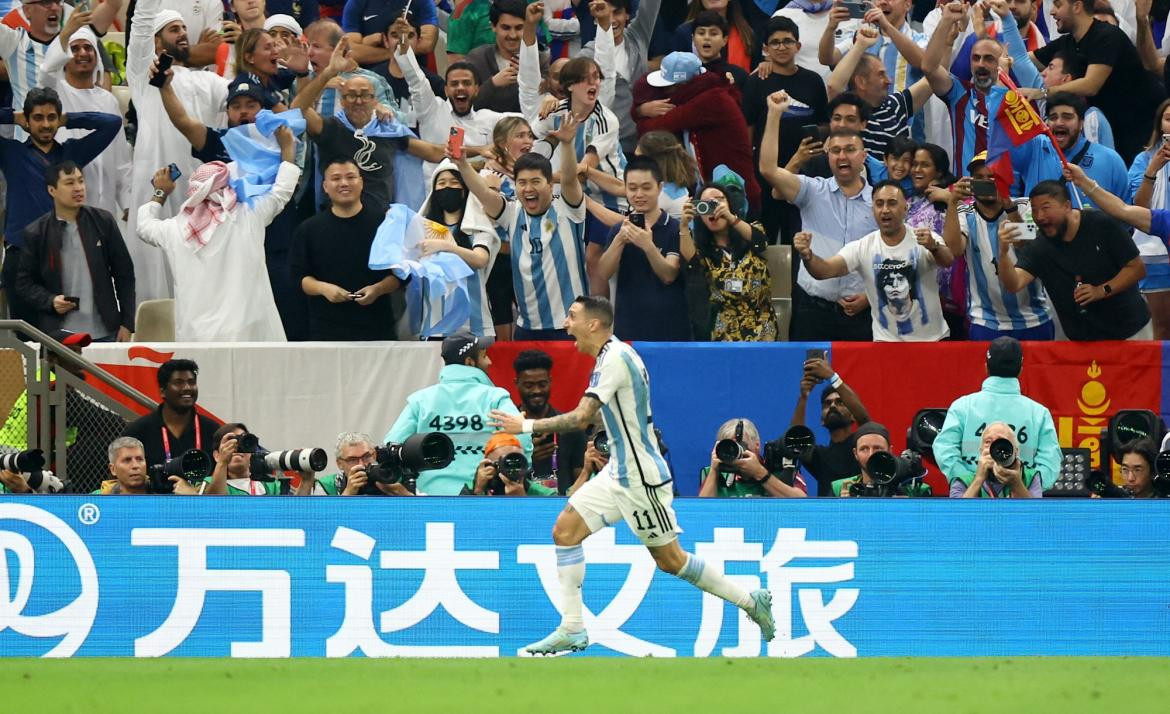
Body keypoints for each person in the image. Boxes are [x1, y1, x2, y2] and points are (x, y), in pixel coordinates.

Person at [488, 296, 775, 656]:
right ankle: (572, 628)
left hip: (641, 479)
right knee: (564, 531)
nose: (566, 324)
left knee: (672, 561)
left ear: (594, 324)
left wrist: (526, 424)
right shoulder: (610, 357)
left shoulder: (616, 359)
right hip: (617, 473)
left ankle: (750, 601)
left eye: (572, 317)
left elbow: (580, 418)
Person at [137, 127, 300, 342]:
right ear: (228, 187)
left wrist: (161, 192)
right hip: (249, 334)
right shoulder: (249, 215)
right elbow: (282, 191)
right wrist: (287, 148)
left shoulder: (174, 230)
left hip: (198, 337)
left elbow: (144, 225)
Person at [127, 0, 230, 303]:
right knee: (153, 272)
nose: (183, 33)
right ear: (156, 40)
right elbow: (141, 21)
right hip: (155, 188)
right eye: (174, 29)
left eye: (185, 27)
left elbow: (244, 96)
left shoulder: (208, 81)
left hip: (199, 191)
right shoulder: (145, 74)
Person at [455, 114, 588, 340]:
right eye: (522, 183)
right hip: (527, 328)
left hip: (569, 325)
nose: (528, 189)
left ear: (549, 184)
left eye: (535, 182)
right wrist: (462, 164)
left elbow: (568, 179)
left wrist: (566, 144)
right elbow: (484, 194)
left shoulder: (568, 210)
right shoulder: (512, 212)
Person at [759, 90, 877, 341]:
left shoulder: (881, 202)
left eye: (849, 150)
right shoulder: (812, 190)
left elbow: (892, 258)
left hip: (862, 314)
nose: (842, 156)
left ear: (863, 156)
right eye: (835, 151)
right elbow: (768, 170)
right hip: (812, 311)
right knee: (806, 379)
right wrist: (774, 114)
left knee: (859, 381)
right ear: (828, 156)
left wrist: (871, 296)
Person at [0, 87, 121, 323]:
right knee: (23, 335)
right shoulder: (11, 152)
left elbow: (113, 123)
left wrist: (69, 120)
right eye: (37, 118)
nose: (45, 124)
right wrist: (11, 116)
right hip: (20, 255)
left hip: (63, 255)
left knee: (63, 335)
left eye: (51, 117)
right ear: (27, 120)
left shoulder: (72, 153)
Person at [293, 37, 444, 212]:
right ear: (341, 101)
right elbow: (298, 110)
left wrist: (477, 151)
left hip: (380, 224)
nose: (358, 101)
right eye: (351, 95)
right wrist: (329, 72)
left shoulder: (387, 131)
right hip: (335, 220)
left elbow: (433, 152)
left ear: (375, 101)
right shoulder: (331, 128)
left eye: (364, 95)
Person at [795, 180, 954, 341]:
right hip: (885, 344)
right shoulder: (863, 246)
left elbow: (947, 260)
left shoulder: (924, 238)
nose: (885, 210)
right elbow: (824, 271)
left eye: (892, 203)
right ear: (873, 210)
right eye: (879, 204)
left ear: (905, 209)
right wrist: (808, 256)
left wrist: (934, 247)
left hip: (932, 341)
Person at [995, 180, 1151, 340]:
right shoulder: (1041, 244)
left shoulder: (1100, 224)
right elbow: (1013, 284)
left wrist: (1102, 290)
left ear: (1067, 206)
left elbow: (1137, 268)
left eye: (1045, 208)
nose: (1039, 216)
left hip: (1131, 334)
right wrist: (1003, 253)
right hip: (1082, 343)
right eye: (1034, 210)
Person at [383, 332, 530, 495]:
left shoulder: (421, 400)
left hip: (430, 498)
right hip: (483, 497)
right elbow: (521, 441)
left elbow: (391, 446)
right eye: (484, 356)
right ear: (469, 362)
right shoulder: (494, 398)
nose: (490, 362)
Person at [1028, 0, 1162, 163]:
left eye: (1058, 5)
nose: (1051, 12)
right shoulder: (1068, 42)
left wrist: (1041, 93)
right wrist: (1002, 58)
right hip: (1115, 131)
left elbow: (1091, 85)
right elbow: (1026, 60)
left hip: (1146, 131)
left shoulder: (1107, 36)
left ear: (1077, 6)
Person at [939, 153, 1054, 340]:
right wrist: (952, 202)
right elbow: (954, 251)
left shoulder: (1025, 206)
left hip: (1034, 318)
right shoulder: (963, 212)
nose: (987, 182)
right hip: (986, 321)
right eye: (980, 178)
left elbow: (1025, 246)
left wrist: (1009, 206)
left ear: (1005, 179)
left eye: (993, 177)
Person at [15, 162, 135, 341]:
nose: (78, 188)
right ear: (52, 190)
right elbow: (24, 284)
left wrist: (127, 323)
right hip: (59, 334)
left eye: (81, 181)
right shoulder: (36, 232)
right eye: (70, 183)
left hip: (106, 330)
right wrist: (50, 301)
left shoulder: (103, 221)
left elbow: (124, 274)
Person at [934, 336, 1063, 496]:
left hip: (971, 498)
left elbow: (944, 450)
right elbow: (1050, 463)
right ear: (1021, 368)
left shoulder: (963, 407)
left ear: (986, 367)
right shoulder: (1038, 413)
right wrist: (1029, 485)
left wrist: (967, 480)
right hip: (1021, 502)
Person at [290, 159, 403, 340]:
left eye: (350, 177)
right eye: (336, 178)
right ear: (325, 186)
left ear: (361, 182)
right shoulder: (308, 229)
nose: (344, 183)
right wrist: (323, 288)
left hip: (377, 327)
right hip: (325, 330)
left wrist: (378, 289)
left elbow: (402, 275)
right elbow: (298, 278)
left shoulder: (384, 224)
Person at [633, 52, 760, 212]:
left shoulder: (712, 101)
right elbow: (642, 89)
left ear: (684, 85)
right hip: (712, 198)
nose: (665, 93)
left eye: (669, 87)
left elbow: (653, 127)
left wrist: (640, 111)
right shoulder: (703, 91)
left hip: (737, 199)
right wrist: (640, 109)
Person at [36, 14, 133, 221]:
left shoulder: (108, 101)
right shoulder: (55, 93)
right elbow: (46, 72)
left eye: (88, 48)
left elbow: (121, 161)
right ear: (63, 59)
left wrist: (126, 204)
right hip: (63, 206)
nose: (82, 53)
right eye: (75, 48)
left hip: (103, 207)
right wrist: (66, 33)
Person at [741, 16, 829, 239]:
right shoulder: (756, 81)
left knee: (801, 237)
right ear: (765, 48)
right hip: (765, 175)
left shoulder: (813, 80)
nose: (782, 47)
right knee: (765, 238)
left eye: (788, 41)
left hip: (805, 174)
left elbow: (825, 124)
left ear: (798, 46)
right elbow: (747, 131)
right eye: (775, 42)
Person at [592, 156, 691, 341]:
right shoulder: (619, 230)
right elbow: (604, 273)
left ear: (659, 188)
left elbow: (669, 275)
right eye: (632, 188)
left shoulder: (674, 228)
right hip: (629, 328)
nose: (639, 194)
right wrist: (619, 240)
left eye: (646, 188)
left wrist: (648, 246)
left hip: (670, 328)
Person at [399, 22, 510, 179]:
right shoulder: (432, 109)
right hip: (436, 194)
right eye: (454, 83)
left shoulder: (490, 119)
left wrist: (549, 100)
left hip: (476, 195)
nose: (460, 88)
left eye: (466, 83)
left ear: (477, 89)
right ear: (445, 90)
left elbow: (528, 120)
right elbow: (416, 80)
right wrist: (403, 49)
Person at [679, 183, 778, 341]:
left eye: (718, 200)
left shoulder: (751, 230)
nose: (713, 207)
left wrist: (730, 217)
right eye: (706, 204)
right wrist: (683, 226)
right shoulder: (699, 250)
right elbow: (691, 264)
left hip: (762, 329)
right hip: (724, 333)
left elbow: (761, 242)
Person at [413, 159, 500, 338]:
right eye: (442, 183)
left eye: (454, 183)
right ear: (434, 191)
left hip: (475, 325)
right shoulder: (422, 230)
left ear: (465, 190)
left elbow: (480, 259)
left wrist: (446, 246)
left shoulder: (477, 226)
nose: (447, 187)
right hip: (436, 326)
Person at [1010, 92, 1128, 205]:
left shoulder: (1110, 159)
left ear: (1081, 123)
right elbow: (1002, 130)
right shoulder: (1035, 150)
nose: (1059, 122)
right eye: (1053, 117)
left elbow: (1125, 215)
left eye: (1067, 117)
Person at [582, 0, 662, 154]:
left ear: (627, 15)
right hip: (609, 146)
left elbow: (651, 5)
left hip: (643, 143)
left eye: (617, 12)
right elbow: (565, 81)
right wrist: (549, 98)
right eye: (605, 13)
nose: (611, 19)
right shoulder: (587, 56)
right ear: (595, 17)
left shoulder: (637, 36)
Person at [788, 354, 872, 497]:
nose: (832, 406)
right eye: (827, 404)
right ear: (822, 419)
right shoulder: (820, 457)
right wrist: (804, 397)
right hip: (828, 517)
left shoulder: (863, 449)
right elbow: (796, 441)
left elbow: (865, 420)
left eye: (839, 402)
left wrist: (832, 377)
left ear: (853, 415)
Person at [122, 358, 222, 470]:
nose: (187, 388)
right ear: (162, 392)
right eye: (179, 383)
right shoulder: (138, 431)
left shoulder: (212, 430)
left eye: (191, 382)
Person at [1124, 100, 1170, 339]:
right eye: (1169, 118)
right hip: (1154, 254)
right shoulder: (1144, 159)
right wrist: (1153, 169)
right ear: (1160, 124)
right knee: (1161, 328)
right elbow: (1139, 207)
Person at [513, 349, 586, 494]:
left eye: (542, 384)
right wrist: (528, 458)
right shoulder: (509, 427)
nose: (536, 391)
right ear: (516, 383)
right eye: (528, 385)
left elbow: (580, 477)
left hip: (562, 506)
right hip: (520, 503)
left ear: (550, 382)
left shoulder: (570, 427)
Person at [465, 0, 547, 114]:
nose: (512, 35)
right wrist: (492, 84)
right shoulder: (477, 59)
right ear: (493, 26)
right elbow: (466, 104)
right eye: (506, 28)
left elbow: (543, 105)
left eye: (519, 28)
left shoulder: (540, 60)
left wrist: (529, 75)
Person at [698, 418, 808, 497]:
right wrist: (714, 471)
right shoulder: (714, 474)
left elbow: (803, 505)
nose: (736, 453)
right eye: (730, 447)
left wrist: (760, 473)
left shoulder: (781, 470)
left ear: (757, 445)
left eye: (742, 446)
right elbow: (700, 514)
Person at [833, 422, 932, 497]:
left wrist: (908, 509)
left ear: (890, 450)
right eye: (864, 449)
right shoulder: (840, 488)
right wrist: (841, 508)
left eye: (877, 448)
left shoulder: (916, 490)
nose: (871, 454)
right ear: (855, 453)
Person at [302, 432, 414, 495]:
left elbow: (427, 515)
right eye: (352, 460)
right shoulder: (327, 485)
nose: (361, 464)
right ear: (339, 463)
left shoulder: (393, 476)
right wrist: (348, 493)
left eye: (366, 456)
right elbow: (319, 524)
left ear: (374, 455)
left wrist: (402, 493)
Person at [341, 0, 439, 62]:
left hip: (413, 74)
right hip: (369, 78)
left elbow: (426, 44)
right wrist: (399, 51)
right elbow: (351, 52)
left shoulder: (422, 1)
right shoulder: (356, 3)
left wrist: (366, 45)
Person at [201, 423, 283, 496]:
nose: (237, 447)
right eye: (230, 442)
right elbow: (214, 506)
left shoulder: (269, 484)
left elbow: (290, 509)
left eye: (243, 441)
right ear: (216, 455)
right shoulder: (207, 483)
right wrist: (223, 462)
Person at [466, 432, 558, 495]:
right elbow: (467, 521)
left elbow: (551, 523)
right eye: (504, 463)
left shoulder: (545, 495)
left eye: (517, 462)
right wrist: (478, 491)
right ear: (488, 466)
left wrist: (522, 501)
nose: (511, 468)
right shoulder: (471, 490)